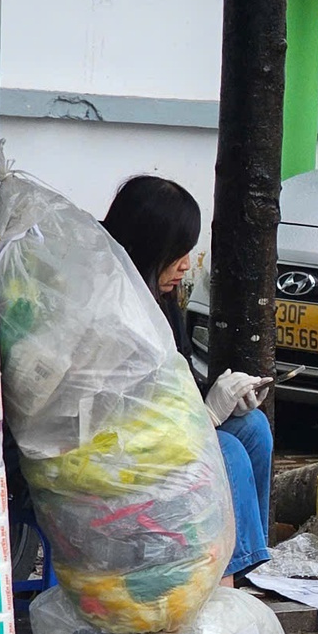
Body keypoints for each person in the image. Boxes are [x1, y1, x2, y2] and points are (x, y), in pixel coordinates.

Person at [101, 175, 272, 579]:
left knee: (252, 427)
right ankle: (226, 582)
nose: (185, 266)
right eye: (177, 254)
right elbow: (128, 409)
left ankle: (249, 564)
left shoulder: (160, 298)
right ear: (146, 247)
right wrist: (207, 417)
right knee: (226, 452)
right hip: (117, 442)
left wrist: (221, 398)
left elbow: (172, 382)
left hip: (166, 427)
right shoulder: (111, 307)